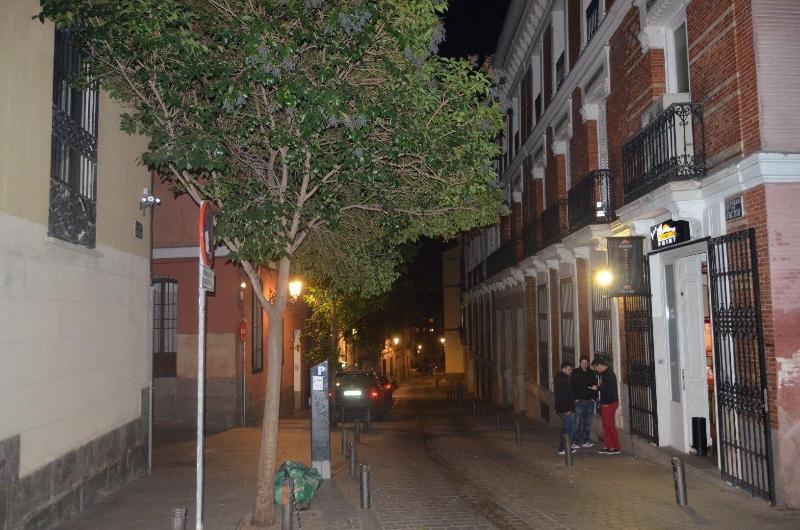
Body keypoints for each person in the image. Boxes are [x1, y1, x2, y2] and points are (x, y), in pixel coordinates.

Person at [591, 358, 620, 454]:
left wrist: (606, 403)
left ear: (599, 365)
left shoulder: (608, 374)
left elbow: (609, 390)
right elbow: (605, 387)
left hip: (609, 403)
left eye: (595, 367)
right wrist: (598, 387)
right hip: (609, 403)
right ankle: (609, 446)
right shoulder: (607, 374)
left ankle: (613, 447)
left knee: (608, 425)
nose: (595, 370)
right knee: (607, 425)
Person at [571, 356, 597, 447]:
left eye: (586, 363)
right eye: (583, 363)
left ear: (588, 363)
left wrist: (594, 398)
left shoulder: (592, 373)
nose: (584, 365)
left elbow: (595, 385)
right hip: (579, 401)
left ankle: (586, 441)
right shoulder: (575, 372)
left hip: (589, 401)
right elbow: (572, 385)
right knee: (577, 422)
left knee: (588, 422)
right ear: (580, 363)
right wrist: (575, 398)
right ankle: (576, 441)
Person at [554, 361, 578, 455]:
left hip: (565, 409)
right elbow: (561, 396)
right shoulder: (561, 380)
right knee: (568, 429)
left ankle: (562, 448)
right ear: (563, 369)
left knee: (565, 429)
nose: (570, 371)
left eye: (571, 369)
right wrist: (566, 409)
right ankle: (564, 448)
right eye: (569, 369)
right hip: (565, 410)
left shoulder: (563, 379)